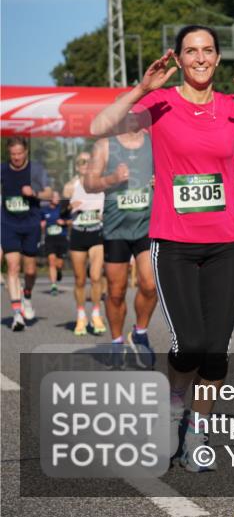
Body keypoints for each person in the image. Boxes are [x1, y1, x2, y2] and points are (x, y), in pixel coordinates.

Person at [90, 24, 234, 472]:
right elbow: (99, 126)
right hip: (173, 243)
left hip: (225, 245)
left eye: (208, 50)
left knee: (216, 350)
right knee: (189, 344)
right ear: (179, 58)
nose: (201, 58)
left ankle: (196, 433)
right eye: (191, 51)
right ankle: (174, 408)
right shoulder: (160, 104)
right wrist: (142, 89)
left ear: (218, 58)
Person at [83, 127, 157, 367]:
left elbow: (175, 170)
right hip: (116, 229)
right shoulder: (105, 145)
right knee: (116, 291)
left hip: (148, 225)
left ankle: (140, 332)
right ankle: (116, 342)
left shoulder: (155, 141)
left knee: (150, 284)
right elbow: (89, 183)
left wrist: (162, 180)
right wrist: (111, 179)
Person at [2, 137, 53, 330]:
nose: (16, 157)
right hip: (8, 223)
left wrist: (34, 193)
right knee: (13, 267)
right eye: (12, 154)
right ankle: (17, 315)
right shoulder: (3, 169)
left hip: (31, 223)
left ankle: (27, 296)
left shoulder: (36, 170)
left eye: (19, 153)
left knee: (30, 270)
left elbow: (49, 193)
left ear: (26, 153)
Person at [67, 152, 106, 335]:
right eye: (81, 162)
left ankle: (96, 314)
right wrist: (70, 207)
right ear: (76, 166)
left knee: (96, 276)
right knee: (80, 279)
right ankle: (81, 315)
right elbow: (59, 211)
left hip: (97, 234)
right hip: (78, 234)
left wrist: (104, 215)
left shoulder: (101, 184)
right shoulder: (71, 186)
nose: (85, 164)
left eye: (89, 161)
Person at [40, 190, 69, 295]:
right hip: (50, 239)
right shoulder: (44, 210)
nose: (57, 199)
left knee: (59, 264)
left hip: (62, 238)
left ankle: (59, 271)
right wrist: (41, 224)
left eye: (58, 197)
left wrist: (64, 222)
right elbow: (40, 222)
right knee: (51, 261)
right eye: (55, 196)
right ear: (50, 198)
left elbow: (71, 221)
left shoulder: (63, 209)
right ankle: (53, 286)